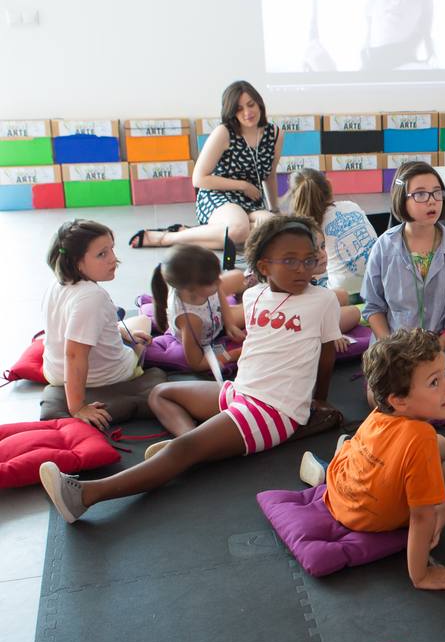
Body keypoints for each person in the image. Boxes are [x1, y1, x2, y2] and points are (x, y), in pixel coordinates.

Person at [41, 216, 345, 524]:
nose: (302, 269)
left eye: (308, 260)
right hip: (241, 391)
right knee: (161, 393)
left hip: (274, 410)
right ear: (264, 267)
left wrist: (318, 400)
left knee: (184, 449)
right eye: (290, 261)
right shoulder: (253, 296)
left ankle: (84, 496)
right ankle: (194, 445)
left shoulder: (321, 300)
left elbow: (326, 355)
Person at [300, 329, 445, 593]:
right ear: (400, 400)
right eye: (434, 382)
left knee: (443, 447)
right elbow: (422, 516)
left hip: (341, 491)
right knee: (442, 490)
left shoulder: (381, 412)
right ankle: (333, 461)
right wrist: (421, 575)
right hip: (369, 519)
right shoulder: (421, 437)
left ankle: (333, 463)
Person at [362, 161, 445, 381]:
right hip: (393, 346)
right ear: (401, 198)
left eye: (436, 193)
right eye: (420, 194)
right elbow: (373, 306)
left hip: (443, 347)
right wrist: (390, 346)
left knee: (433, 400)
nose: (431, 201)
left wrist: (443, 341)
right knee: (382, 400)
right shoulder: (384, 246)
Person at [129, 81, 282, 250]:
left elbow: (270, 175)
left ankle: (200, 233)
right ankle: (167, 237)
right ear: (231, 112)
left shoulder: (274, 134)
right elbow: (198, 179)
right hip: (218, 195)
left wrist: (274, 209)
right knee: (238, 229)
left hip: (251, 199)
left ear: (259, 103)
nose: (247, 112)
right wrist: (243, 185)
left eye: (251, 105)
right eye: (239, 109)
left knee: (274, 228)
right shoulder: (224, 132)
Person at [40, 220, 163, 427]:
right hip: (108, 376)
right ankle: (138, 351)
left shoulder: (57, 284)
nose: (113, 259)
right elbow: (74, 355)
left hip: (53, 372)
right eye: (102, 254)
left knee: (124, 326)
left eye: (111, 249)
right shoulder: (92, 297)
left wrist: (119, 331)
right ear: (77, 262)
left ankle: (124, 333)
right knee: (143, 324)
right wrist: (78, 407)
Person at [304, 0, 436, 72]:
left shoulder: (422, 75)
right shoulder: (362, 72)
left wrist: (330, 81)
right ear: (370, 5)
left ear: (421, 22)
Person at [150, 244, 247, 374]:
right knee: (253, 309)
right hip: (211, 326)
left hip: (213, 311)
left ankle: (245, 293)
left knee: (238, 276)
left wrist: (230, 324)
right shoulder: (190, 319)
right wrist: (236, 353)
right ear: (191, 290)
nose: (219, 282)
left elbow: (218, 292)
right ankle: (246, 298)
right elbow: (197, 364)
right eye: (213, 281)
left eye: (218, 277)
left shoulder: (196, 286)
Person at [286, 167, 377, 299]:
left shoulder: (308, 229)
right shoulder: (351, 206)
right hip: (378, 287)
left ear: (296, 198)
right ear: (329, 185)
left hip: (346, 296)